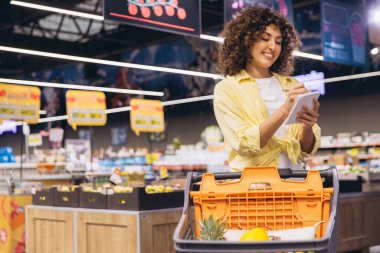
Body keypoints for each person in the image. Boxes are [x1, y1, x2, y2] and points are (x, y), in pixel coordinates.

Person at [213, 6, 321, 171]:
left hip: (295, 181)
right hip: (254, 188)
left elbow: (305, 150)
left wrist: (307, 125)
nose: (273, 46)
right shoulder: (227, 89)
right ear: (246, 39)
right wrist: (285, 110)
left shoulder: (291, 84)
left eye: (278, 41)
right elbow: (243, 143)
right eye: (265, 38)